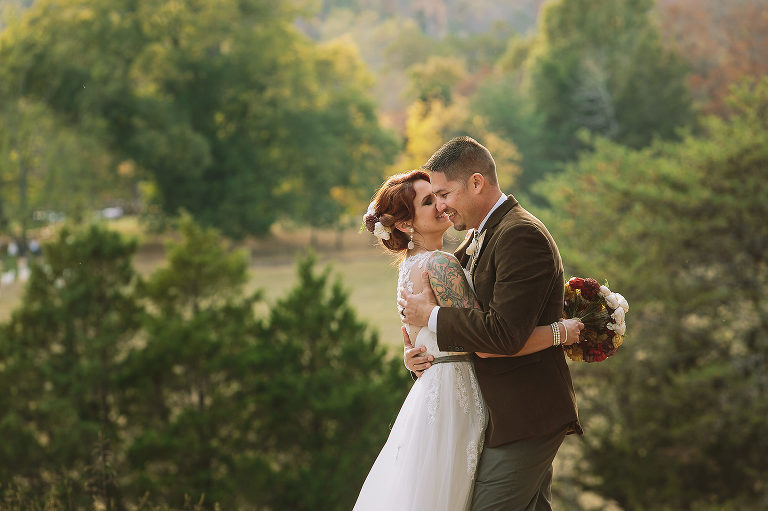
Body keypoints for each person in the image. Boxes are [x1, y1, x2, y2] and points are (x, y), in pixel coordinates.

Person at [353, 169, 582, 511]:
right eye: (429, 201)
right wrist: (561, 332)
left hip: (434, 391)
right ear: (403, 224)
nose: (441, 206)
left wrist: (410, 354)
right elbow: (488, 340)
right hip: (457, 396)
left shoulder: (411, 266)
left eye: (441, 196)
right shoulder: (442, 263)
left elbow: (419, 333)